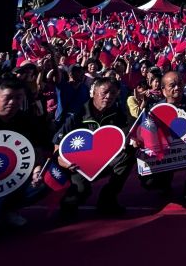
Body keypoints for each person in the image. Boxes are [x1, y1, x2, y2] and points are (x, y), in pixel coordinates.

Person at [53, 77, 134, 219]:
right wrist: (65, 162)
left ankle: (108, 198)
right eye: (104, 92)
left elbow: (127, 133)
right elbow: (57, 146)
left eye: (113, 93)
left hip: (104, 160)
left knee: (129, 153)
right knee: (81, 191)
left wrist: (132, 141)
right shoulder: (77, 114)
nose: (108, 97)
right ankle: (68, 204)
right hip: (77, 164)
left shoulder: (118, 113)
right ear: (93, 93)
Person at [0, 77, 52, 236]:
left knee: (47, 180)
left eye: (18, 98)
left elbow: (38, 149)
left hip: (10, 177)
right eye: (8, 97)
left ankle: (9, 210)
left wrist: (37, 170)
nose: (13, 102)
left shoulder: (27, 120)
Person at [141, 71, 186, 204]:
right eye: (172, 85)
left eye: (180, 84)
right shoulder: (154, 108)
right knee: (149, 182)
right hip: (165, 152)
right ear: (163, 89)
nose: (177, 88)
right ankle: (164, 183)